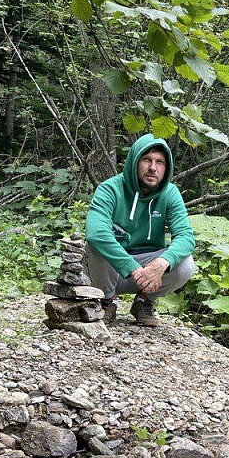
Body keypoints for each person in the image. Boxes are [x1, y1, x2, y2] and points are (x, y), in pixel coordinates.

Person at [84, 135, 196, 327]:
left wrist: (161, 263)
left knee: (185, 263)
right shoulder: (110, 189)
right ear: (134, 162)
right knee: (94, 246)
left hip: (148, 269)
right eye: (147, 160)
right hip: (110, 270)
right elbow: (97, 233)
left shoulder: (170, 193)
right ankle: (106, 301)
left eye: (160, 162)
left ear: (166, 168)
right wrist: (133, 268)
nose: (153, 167)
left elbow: (186, 237)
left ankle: (144, 301)